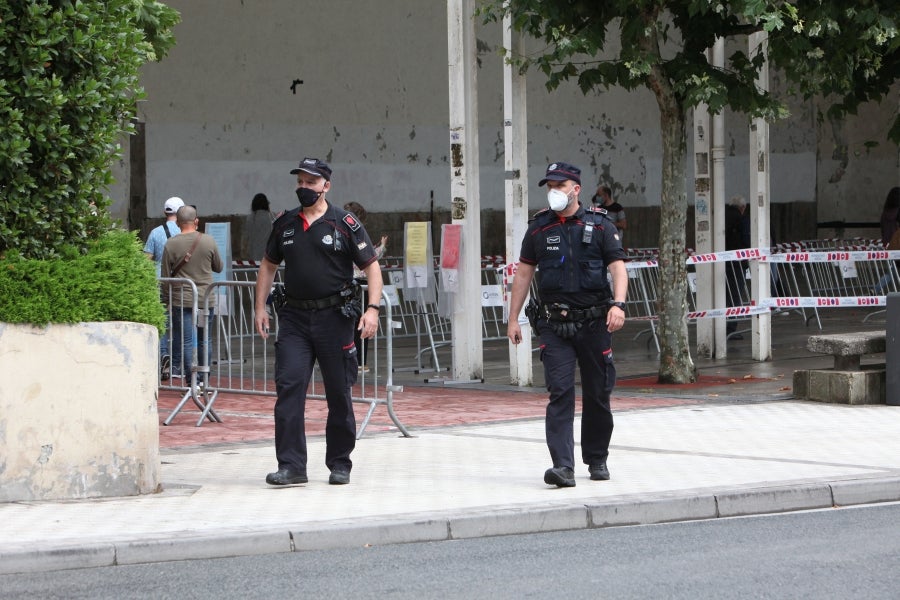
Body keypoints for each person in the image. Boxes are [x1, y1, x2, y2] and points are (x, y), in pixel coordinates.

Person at [254, 157, 383, 486]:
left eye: (311, 182)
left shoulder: (345, 223)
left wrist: (372, 309)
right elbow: (268, 265)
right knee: (289, 388)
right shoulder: (285, 224)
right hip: (295, 320)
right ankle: (292, 466)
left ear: (326, 185)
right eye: (300, 182)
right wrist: (259, 308)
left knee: (339, 393)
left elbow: (371, 267)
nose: (304, 188)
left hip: (334, 320)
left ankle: (340, 462)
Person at [507, 161, 628, 488]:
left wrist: (618, 304)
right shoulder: (539, 228)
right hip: (554, 324)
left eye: (559, 186)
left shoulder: (601, 226)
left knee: (598, 393)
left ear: (575, 189)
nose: (554, 192)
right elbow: (523, 275)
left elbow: (618, 268)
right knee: (559, 391)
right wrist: (513, 318)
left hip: (594, 322)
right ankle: (563, 466)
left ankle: (597, 456)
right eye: (550, 187)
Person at [161, 205, 224, 383]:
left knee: (187, 341)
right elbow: (219, 267)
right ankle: (205, 380)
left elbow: (166, 278)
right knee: (205, 340)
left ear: (178, 223)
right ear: (196, 221)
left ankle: (192, 382)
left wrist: (166, 299)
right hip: (206, 298)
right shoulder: (209, 240)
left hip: (182, 300)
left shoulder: (171, 244)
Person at [343, 201, 388, 372]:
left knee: (347, 323)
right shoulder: (358, 234)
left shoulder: (340, 232)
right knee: (361, 324)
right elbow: (370, 257)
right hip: (361, 285)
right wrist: (382, 247)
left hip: (346, 283)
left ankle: (348, 360)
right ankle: (360, 361)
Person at [143, 196, 185, 379]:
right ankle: (176, 364)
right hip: (180, 281)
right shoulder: (186, 232)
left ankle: (163, 356)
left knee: (162, 321)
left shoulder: (155, 232)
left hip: (158, 281)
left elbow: (146, 260)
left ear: (164, 212)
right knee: (179, 322)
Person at [724, 195, 750, 338]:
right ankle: (732, 328)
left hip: (720, 262)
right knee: (735, 295)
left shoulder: (722, 217)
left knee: (723, 294)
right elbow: (746, 240)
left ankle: (719, 324)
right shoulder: (742, 220)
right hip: (737, 263)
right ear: (742, 208)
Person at [247, 192, 275, 261]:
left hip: (254, 252)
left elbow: (249, 236)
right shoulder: (270, 217)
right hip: (268, 253)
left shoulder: (250, 218)